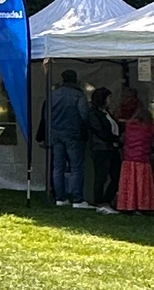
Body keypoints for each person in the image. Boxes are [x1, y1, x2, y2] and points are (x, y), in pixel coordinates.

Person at [49, 70, 92, 209]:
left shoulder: (53, 95)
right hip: (74, 134)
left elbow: (46, 115)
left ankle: (60, 198)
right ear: (75, 79)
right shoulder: (79, 95)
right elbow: (84, 114)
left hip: (56, 133)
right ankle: (77, 199)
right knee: (76, 167)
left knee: (58, 167)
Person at [117, 105, 154, 213]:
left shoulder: (128, 126)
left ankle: (127, 205)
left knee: (129, 184)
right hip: (142, 159)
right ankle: (142, 205)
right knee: (141, 184)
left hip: (128, 159)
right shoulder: (148, 127)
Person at [86, 87, 122, 215]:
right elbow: (101, 132)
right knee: (101, 176)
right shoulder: (93, 114)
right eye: (109, 98)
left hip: (111, 148)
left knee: (116, 176)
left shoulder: (107, 112)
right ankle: (99, 202)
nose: (111, 100)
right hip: (101, 148)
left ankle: (106, 200)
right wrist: (117, 138)